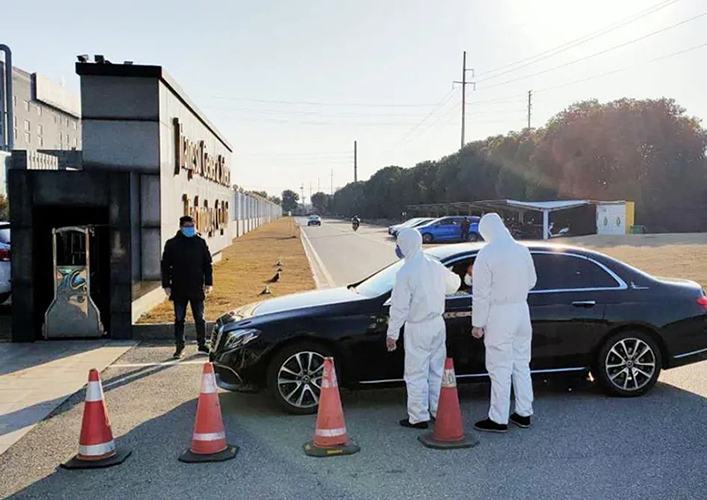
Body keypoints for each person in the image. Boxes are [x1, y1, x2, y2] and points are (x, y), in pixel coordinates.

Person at [386, 228, 461, 429]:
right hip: (437, 324)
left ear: (404, 245)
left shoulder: (405, 272)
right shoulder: (435, 265)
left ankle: (418, 417)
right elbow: (454, 285)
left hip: (417, 327)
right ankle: (438, 410)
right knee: (437, 371)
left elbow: (399, 307)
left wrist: (392, 334)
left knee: (416, 373)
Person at [471, 213, 537, 432]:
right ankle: (524, 412)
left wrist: (478, 323)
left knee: (500, 367)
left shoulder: (486, 254)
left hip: (499, 313)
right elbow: (532, 281)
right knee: (521, 364)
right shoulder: (522, 250)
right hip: (522, 311)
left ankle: (498, 419)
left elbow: (481, 294)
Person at [161, 215, 214, 359]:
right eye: (187, 226)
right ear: (181, 227)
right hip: (178, 287)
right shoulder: (172, 244)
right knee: (179, 319)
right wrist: (166, 285)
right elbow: (165, 266)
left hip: (196, 286)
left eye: (192, 226)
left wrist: (208, 283)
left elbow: (207, 264)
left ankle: (202, 344)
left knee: (200, 317)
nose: (190, 229)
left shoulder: (200, 243)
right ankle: (179, 347)